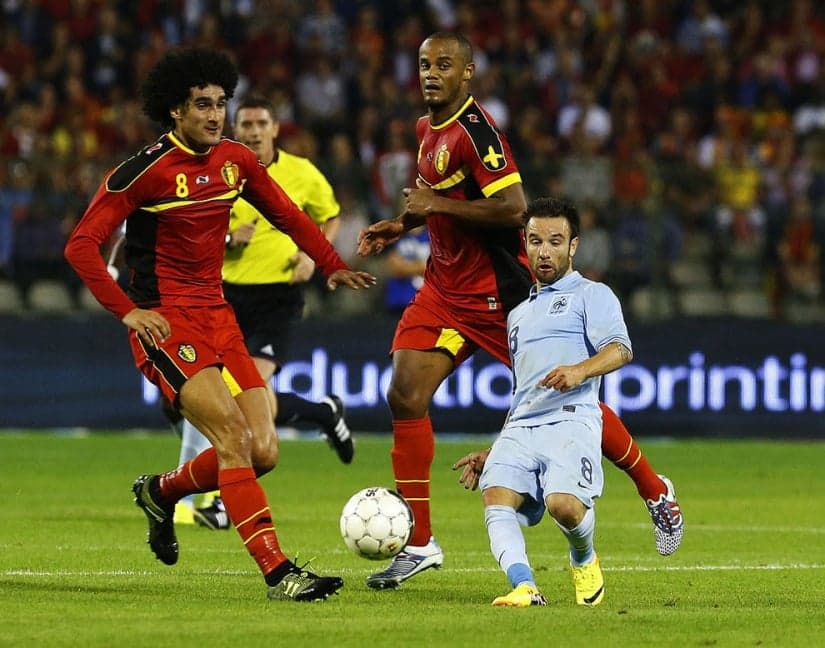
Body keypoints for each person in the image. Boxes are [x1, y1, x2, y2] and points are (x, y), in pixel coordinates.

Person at [357, 32, 682, 590]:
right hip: (442, 287)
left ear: (468, 73)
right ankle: (419, 543)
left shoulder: (479, 134)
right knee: (404, 392)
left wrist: (432, 204)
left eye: (444, 65)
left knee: (563, 392)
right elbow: (440, 198)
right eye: (424, 64)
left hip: (495, 291)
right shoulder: (425, 128)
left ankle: (656, 489)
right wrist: (404, 223)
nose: (431, 73)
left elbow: (513, 208)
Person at [64, 46, 375, 602]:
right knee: (233, 438)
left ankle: (161, 492)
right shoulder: (142, 172)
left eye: (220, 103)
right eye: (201, 104)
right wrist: (129, 311)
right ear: (175, 112)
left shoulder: (236, 160)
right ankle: (280, 572)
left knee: (263, 450)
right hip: (166, 323)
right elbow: (81, 245)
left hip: (219, 315)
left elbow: (286, 213)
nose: (215, 114)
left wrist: (331, 266)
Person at [173, 94, 356, 530]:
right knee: (233, 395)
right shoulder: (216, 170)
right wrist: (229, 238)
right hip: (225, 295)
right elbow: (190, 234)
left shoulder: (302, 173)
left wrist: (311, 256)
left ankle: (213, 498)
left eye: (261, 123)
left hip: (277, 297)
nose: (253, 132)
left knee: (240, 391)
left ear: (275, 128)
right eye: (246, 124)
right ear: (236, 129)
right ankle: (321, 413)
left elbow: (329, 216)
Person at [457, 196, 631, 607]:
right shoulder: (518, 315)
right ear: (525, 243)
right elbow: (524, 391)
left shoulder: (593, 294)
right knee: (496, 493)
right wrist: (497, 446)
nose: (544, 250)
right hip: (522, 427)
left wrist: (580, 370)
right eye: (535, 241)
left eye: (555, 241)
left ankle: (583, 556)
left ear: (573, 246)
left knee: (564, 507)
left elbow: (621, 349)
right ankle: (524, 586)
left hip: (571, 420)